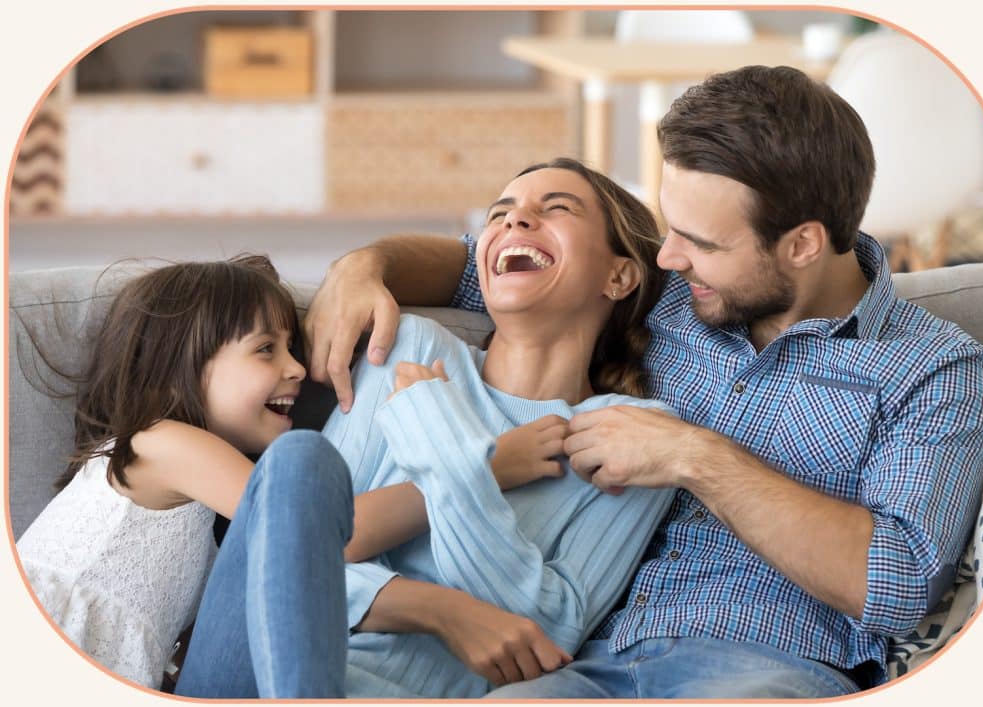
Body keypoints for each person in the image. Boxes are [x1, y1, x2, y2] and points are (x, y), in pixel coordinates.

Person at [302, 66, 983, 698]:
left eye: (698, 242)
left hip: (765, 664)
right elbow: (483, 264)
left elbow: (897, 582)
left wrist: (694, 455)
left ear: (802, 245)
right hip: (589, 662)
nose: (668, 255)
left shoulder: (936, 368)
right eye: (669, 228)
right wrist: (363, 266)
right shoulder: (668, 291)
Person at [173, 157, 678, 698]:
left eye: (556, 209)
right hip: (247, 673)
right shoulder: (412, 348)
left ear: (619, 275)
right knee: (298, 461)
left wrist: (449, 455)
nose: (514, 222)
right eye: (500, 214)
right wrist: (445, 611)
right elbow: (301, 552)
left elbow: (544, 632)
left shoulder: (631, 436)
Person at [15, 255, 324, 690]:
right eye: (266, 349)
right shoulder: (163, 444)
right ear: (178, 372)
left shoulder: (187, 491)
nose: (297, 369)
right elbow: (316, 531)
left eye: (291, 349)